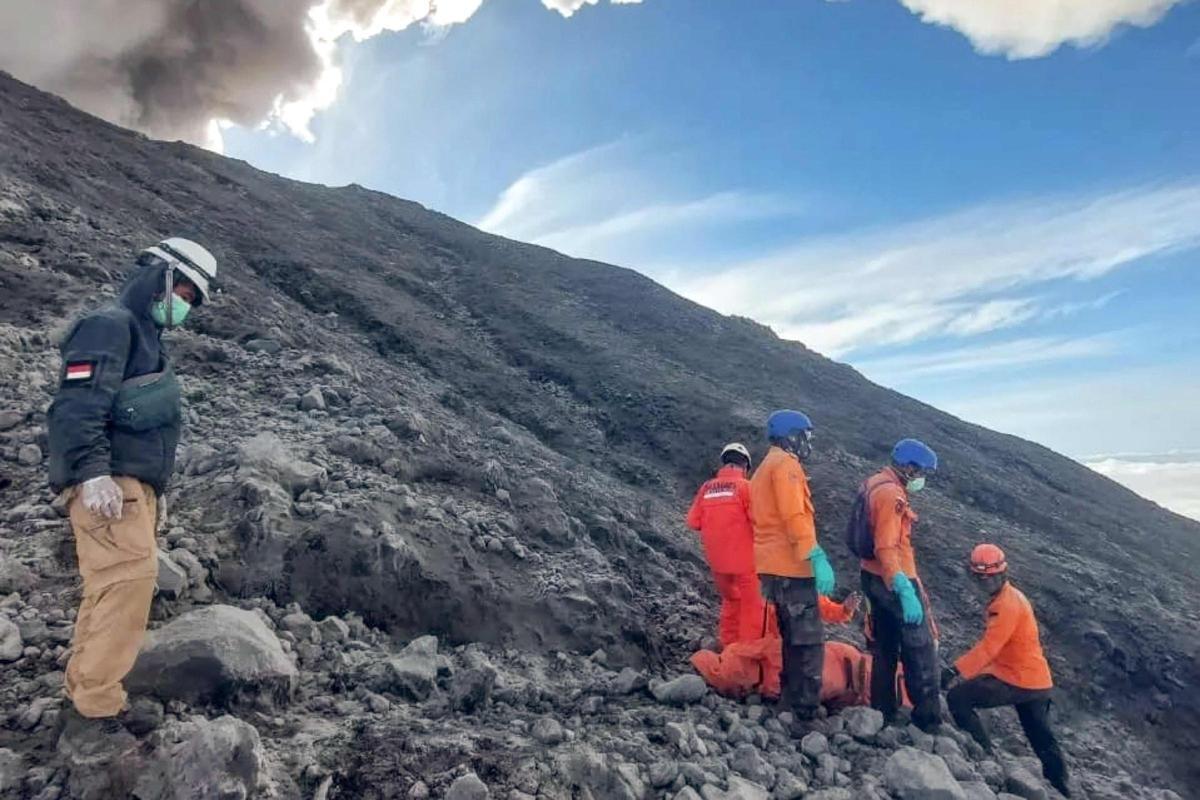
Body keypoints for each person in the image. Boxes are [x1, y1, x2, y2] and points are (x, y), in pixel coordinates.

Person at [48, 238, 217, 742]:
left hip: (127, 487)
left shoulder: (143, 337)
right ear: (158, 275)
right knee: (129, 582)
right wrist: (91, 473)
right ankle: (95, 712)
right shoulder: (111, 325)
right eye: (182, 288)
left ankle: (83, 691)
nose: (184, 302)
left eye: (193, 296)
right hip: (108, 485)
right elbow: (77, 404)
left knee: (112, 587)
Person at [943, 545, 1071, 798]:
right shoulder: (1012, 596)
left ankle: (984, 756)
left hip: (1018, 679)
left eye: (989, 576)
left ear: (1002, 573)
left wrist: (952, 670)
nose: (985, 581)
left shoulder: (1006, 606)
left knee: (958, 698)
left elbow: (989, 647)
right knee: (1042, 738)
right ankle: (1061, 788)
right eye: (981, 577)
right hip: (1037, 681)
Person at [750, 409, 836, 730]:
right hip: (792, 568)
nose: (806, 443)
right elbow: (794, 516)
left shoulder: (763, 468)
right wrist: (814, 555)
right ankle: (805, 713)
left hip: (771, 568)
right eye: (803, 436)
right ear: (790, 436)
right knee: (809, 641)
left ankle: (788, 700)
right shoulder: (786, 466)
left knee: (790, 638)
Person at [856, 438, 942, 732]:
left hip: (870, 577)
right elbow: (886, 546)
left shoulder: (873, 483)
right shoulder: (892, 494)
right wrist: (902, 587)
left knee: (884, 648)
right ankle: (928, 721)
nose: (922, 479)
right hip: (893, 580)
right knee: (920, 651)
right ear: (908, 467)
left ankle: (882, 710)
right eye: (921, 473)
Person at [686, 442, 763, 647]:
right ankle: (746, 656)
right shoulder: (746, 487)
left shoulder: (706, 488)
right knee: (751, 608)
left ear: (724, 463)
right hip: (746, 564)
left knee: (731, 602)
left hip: (718, 565)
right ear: (745, 466)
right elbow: (760, 521)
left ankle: (729, 648)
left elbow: (693, 522)